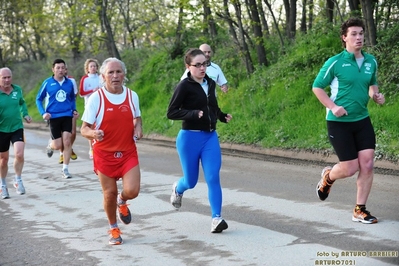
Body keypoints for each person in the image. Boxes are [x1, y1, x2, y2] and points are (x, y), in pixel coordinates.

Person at [312, 17, 385, 224]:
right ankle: (328, 177)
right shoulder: (335, 62)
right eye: (353, 34)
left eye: (361, 33)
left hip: (362, 120)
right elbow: (317, 87)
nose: (359, 37)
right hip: (339, 123)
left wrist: (376, 96)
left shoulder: (371, 61)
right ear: (344, 38)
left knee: (368, 164)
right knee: (350, 168)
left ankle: (359, 209)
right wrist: (333, 107)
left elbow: (372, 85)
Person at [168, 48, 233, 233]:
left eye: (204, 64)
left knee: (213, 177)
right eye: (198, 65)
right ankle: (178, 189)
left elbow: (212, 106)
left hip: (210, 137)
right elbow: (171, 112)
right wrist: (193, 114)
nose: (202, 68)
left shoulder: (210, 83)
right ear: (189, 67)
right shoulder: (184, 86)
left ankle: (216, 218)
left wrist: (221, 116)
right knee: (191, 181)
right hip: (189, 138)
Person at [80, 57, 143, 245]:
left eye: (118, 72)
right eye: (111, 72)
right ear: (103, 76)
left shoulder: (132, 96)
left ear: (124, 75)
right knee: (109, 193)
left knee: (132, 190)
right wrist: (93, 133)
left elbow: (137, 118)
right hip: (104, 154)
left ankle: (122, 202)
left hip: (127, 152)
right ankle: (113, 228)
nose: (115, 76)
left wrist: (138, 127)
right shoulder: (96, 98)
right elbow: (84, 129)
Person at [36, 59, 79, 179]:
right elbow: (39, 99)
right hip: (53, 116)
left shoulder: (69, 83)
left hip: (66, 115)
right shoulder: (48, 83)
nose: (60, 70)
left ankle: (65, 169)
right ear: (53, 69)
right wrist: (43, 113)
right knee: (57, 144)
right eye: (58, 68)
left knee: (67, 142)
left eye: (62, 68)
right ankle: (50, 145)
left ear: (65, 69)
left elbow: (72, 99)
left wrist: (74, 110)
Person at [0, 67, 32, 199]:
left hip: (17, 127)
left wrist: (25, 114)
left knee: (19, 154)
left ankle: (17, 180)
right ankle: (2, 185)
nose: (7, 80)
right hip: (1, 130)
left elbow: (22, 103)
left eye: (9, 77)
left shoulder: (17, 89)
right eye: (4, 78)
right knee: (3, 160)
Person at [79, 58, 100, 159]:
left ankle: (100, 146)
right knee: (90, 127)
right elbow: (81, 93)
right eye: (91, 66)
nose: (93, 68)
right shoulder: (85, 79)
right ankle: (91, 148)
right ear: (87, 68)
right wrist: (92, 90)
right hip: (89, 105)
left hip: (100, 105)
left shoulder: (101, 77)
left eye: (95, 66)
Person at [58, 66, 78, 164]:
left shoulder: (71, 81)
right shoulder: (53, 82)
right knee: (62, 134)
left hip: (70, 110)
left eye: (64, 68)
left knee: (73, 133)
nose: (63, 71)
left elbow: (75, 95)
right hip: (57, 112)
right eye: (60, 68)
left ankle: (69, 147)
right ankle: (62, 153)